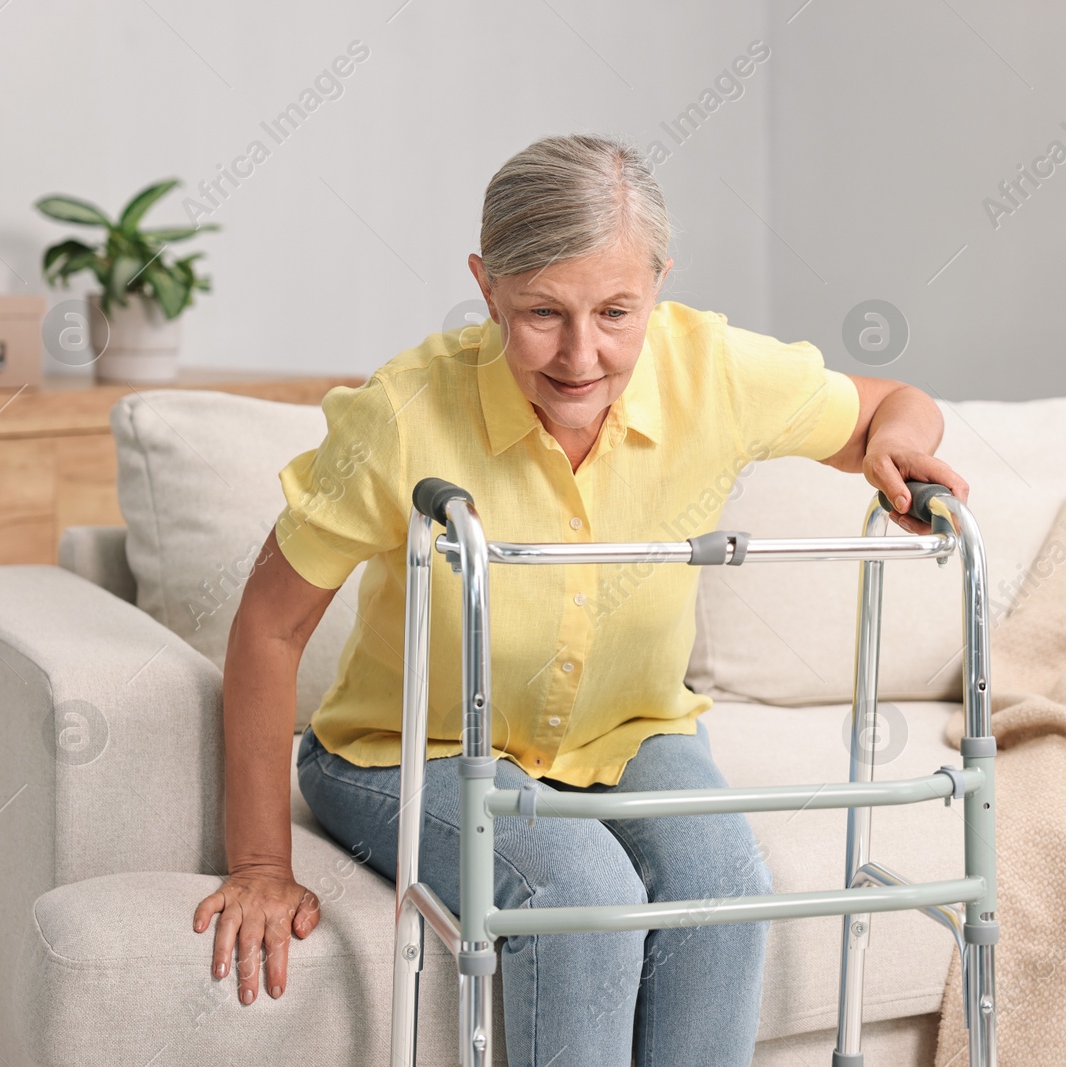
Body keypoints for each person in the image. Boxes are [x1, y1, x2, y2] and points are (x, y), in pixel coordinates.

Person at [191, 132, 969, 1066]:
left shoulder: (712, 370)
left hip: (630, 728)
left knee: (722, 886)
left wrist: (897, 449)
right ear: (486, 287)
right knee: (580, 896)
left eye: (616, 311)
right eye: (541, 313)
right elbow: (269, 625)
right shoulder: (400, 415)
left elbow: (898, 402)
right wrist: (262, 867)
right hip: (408, 749)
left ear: (659, 284)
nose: (581, 354)